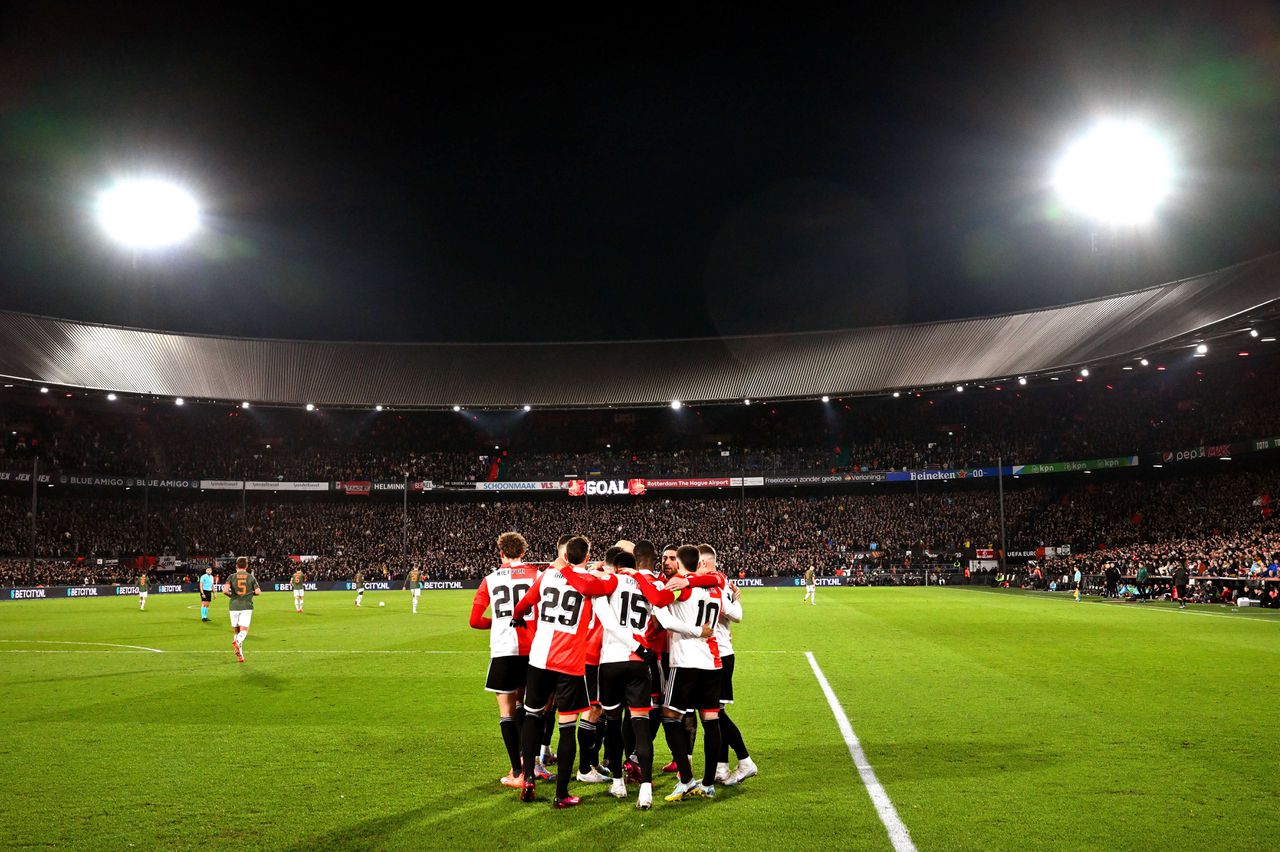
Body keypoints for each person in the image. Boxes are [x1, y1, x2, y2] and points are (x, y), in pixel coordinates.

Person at [512, 535, 617, 808]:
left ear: (565, 555)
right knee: (567, 728)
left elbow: (523, 605)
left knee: (533, 716)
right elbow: (605, 589)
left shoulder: (547, 575)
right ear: (586, 556)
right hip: (569, 664)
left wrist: (517, 618)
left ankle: (528, 780)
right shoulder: (590, 583)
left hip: (538, 659)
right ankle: (561, 795)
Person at [590, 549, 696, 809]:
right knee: (641, 726)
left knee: (613, 725)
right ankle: (646, 790)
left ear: (614, 566)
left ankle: (618, 782)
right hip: (639, 664)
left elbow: (606, 621)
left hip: (611, 662)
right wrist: (697, 631)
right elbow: (665, 618)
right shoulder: (648, 585)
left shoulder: (608, 581)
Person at [470, 532, 543, 789]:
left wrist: (497, 623)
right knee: (529, 708)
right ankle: (532, 766)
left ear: (501, 552)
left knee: (507, 712)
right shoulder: (536, 575)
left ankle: (517, 772)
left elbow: (474, 621)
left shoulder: (489, 579)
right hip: (533, 650)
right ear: (523, 552)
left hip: (504, 650)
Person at [658, 544, 727, 802]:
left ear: (681, 564)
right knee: (711, 721)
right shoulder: (716, 587)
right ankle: (708, 783)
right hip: (712, 662)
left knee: (670, 717)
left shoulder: (680, 586)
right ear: (699, 564)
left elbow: (664, 615)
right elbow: (717, 578)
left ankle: (686, 779)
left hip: (686, 662)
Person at [699, 544, 757, 786]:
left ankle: (745, 761)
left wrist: (727, 601)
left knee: (714, 715)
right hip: (715, 654)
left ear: (703, 564)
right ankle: (721, 766)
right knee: (714, 713)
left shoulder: (715, 584)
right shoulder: (720, 582)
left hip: (719, 655)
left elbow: (737, 616)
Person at [222, 556, 261, 663]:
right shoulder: (251, 577)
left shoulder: (231, 576)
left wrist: (233, 596)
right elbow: (258, 592)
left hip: (233, 607)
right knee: (243, 630)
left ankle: (241, 656)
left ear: (236, 565)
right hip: (246, 606)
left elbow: (225, 591)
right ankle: (237, 641)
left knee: (236, 630)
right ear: (246, 566)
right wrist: (249, 594)